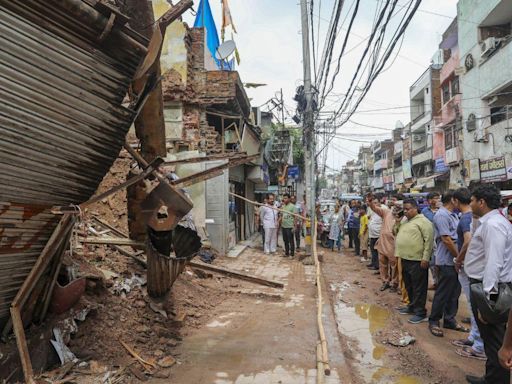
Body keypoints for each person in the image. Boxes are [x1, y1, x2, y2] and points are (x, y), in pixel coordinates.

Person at [464, 185, 512, 384]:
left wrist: (489, 302)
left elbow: (494, 263)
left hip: (490, 288)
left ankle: (497, 381)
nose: (471, 204)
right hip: (482, 285)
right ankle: (491, 378)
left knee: (494, 339)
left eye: (473, 200)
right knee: (489, 337)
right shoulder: (490, 222)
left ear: (481, 202)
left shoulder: (493, 225)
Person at [451, 188, 486, 360]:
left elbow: (467, 241)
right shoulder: (471, 218)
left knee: (474, 306)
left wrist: (459, 259)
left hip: (468, 267)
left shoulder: (466, 218)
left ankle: (479, 345)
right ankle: (473, 338)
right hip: (470, 266)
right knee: (473, 306)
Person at [429, 190, 466, 338]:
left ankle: (450, 319)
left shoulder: (454, 215)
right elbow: (446, 240)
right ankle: (434, 321)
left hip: (455, 261)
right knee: (443, 292)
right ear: (453, 200)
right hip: (447, 260)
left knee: (454, 292)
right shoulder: (442, 215)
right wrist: (459, 257)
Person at [395, 199, 433, 324]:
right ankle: (411, 306)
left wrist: (425, 258)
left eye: (407, 209)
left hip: (417, 260)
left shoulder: (424, 222)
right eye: (404, 209)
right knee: (408, 285)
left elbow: (429, 241)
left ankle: (420, 312)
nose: (405, 211)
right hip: (405, 257)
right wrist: (397, 221)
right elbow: (395, 232)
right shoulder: (405, 220)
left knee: (419, 287)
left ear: (415, 208)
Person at [368, 194, 398, 292]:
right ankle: (385, 281)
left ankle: (394, 283)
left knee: (394, 265)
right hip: (383, 243)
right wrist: (370, 201)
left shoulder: (403, 216)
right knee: (383, 263)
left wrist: (396, 203)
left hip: (394, 245)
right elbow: (374, 208)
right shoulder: (386, 212)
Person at [422, 192, 441, 290]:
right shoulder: (425, 211)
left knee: (441, 263)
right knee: (432, 263)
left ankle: (441, 282)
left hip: (441, 239)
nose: (436, 200)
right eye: (434, 198)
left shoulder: (442, 210)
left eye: (437, 198)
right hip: (430, 239)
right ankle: (436, 282)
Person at [367, 197, 384, 272]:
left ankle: (378, 266)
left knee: (378, 251)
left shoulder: (383, 211)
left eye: (376, 202)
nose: (375, 204)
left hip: (378, 235)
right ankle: (373, 263)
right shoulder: (373, 211)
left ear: (380, 203)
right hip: (372, 235)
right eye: (374, 203)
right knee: (373, 250)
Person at [280, 194, 296, 258]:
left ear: (289, 199)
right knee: (285, 240)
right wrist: (279, 222)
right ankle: (286, 253)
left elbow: (295, 217)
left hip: (290, 227)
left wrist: (294, 226)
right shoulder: (283, 206)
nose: (285, 199)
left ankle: (292, 254)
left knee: (291, 241)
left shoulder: (292, 206)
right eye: (284, 198)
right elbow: (281, 215)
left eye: (286, 198)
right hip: (284, 226)